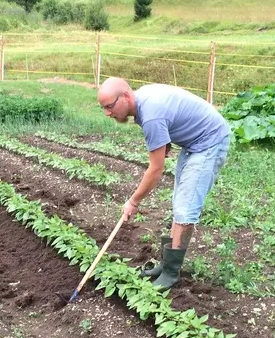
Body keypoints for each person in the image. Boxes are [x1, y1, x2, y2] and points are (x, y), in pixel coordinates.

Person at [98, 76, 230, 290]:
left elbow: (156, 169)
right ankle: (166, 264)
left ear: (125, 96)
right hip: (194, 143)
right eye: (103, 108)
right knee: (180, 203)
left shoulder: (150, 115)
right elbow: (171, 115)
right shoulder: (143, 103)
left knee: (185, 209)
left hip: (209, 142)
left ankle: (171, 272)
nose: (107, 112)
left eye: (109, 106)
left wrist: (133, 201)